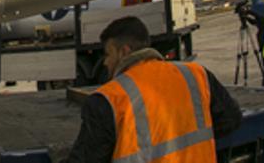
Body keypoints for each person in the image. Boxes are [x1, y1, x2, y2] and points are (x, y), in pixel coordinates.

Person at [66, 17, 242, 163]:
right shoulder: (197, 74)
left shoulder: (109, 99)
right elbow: (231, 120)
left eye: (108, 54)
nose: (105, 62)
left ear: (124, 52)